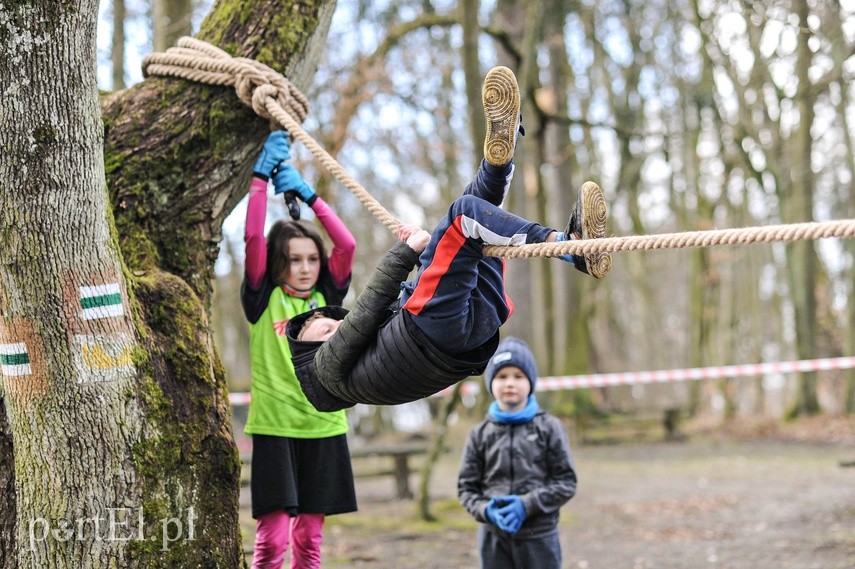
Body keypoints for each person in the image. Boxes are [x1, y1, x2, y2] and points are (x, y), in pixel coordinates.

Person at [285, 65, 611, 412]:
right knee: (462, 219)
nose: (336, 329)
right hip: (432, 330)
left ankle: (499, 160)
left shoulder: (356, 371)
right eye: (324, 333)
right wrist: (406, 253)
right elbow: (366, 309)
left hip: (467, 331)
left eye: (331, 324)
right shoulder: (324, 368)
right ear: (309, 350)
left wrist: (422, 261)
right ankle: (567, 246)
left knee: (475, 234)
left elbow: (379, 318)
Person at [241, 130, 358, 568]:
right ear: (279, 263)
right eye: (294, 259)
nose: (306, 267)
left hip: (324, 428)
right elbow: (253, 239)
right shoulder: (262, 296)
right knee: (272, 543)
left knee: (308, 542)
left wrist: (307, 194)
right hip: (274, 429)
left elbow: (346, 244)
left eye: (311, 258)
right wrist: (259, 179)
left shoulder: (328, 296)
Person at [457, 336, 578, 569]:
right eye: (502, 376)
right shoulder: (479, 434)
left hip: (539, 538)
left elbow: (566, 482)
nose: (509, 383)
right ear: (491, 383)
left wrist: (527, 504)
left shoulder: (549, 428)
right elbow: (466, 489)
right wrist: (485, 510)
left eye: (518, 376)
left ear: (530, 381)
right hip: (493, 540)